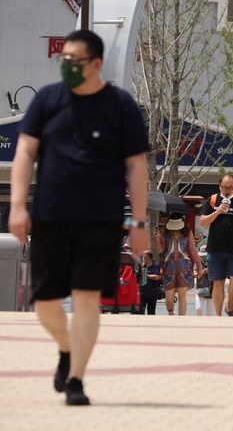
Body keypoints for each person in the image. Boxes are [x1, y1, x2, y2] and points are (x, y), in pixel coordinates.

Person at [8, 30, 150, 405]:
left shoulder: (120, 106)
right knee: (46, 303)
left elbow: (136, 166)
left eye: (75, 60)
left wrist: (138, 222)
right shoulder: (47, 101)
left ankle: (76, 381)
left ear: (96, 64)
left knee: (87, 299)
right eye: (64, 59)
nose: (67, 66)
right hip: (51, 216)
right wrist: (18, 206)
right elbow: (24, 153)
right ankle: (66, 347)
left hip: (100, 220)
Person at [199, 174, 233, 316]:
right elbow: (203, 222)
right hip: (215, 249)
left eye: (230, 187)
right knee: (218, 282)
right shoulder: (212, 200)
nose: (227, 190)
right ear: (219, 186)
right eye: (225, 187)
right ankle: (218, 316)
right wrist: (217, 211)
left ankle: (229, 307)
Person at [156, 216, 203, 316]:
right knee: (169, 298)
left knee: (182, 296)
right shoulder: (164, 234)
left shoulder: (187, 233)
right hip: (169, 268)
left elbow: (192, 250)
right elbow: (161, 251)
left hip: (185, 267)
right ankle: (171, 313)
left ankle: (181, 320)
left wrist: (199, 265)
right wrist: (157, 238)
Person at [195, 245, 213, 316]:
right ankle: (199, 323)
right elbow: (194, 273)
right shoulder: (197, 262)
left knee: (209, 312)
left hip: (211, 290)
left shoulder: (213, 262)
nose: (204, 257)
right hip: (200, 288)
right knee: (198, 308)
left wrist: (210, 270)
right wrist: (202, 272)